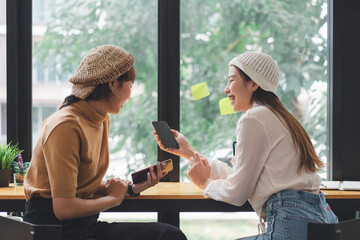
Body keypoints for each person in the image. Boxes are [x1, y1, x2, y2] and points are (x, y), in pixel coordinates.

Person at [154, 51, 338, 239]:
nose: (226, 89)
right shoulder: (280, 117)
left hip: (292, 222)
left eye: (231, 80)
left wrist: (204, 183)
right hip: (318, 218)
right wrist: (189, 152)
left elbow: (237, 193)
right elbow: (242, 176)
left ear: (253, 84)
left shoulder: (254, 118)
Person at [24, 45, 187, 240]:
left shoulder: (100, 119)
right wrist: (112, 199)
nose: (130, 94)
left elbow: (81, 184)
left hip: (84, 227)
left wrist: (130, 189)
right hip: (54, 232)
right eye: (130, 85)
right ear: (112, 83)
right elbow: (64, 209)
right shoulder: (65, 126)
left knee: (168, 235)